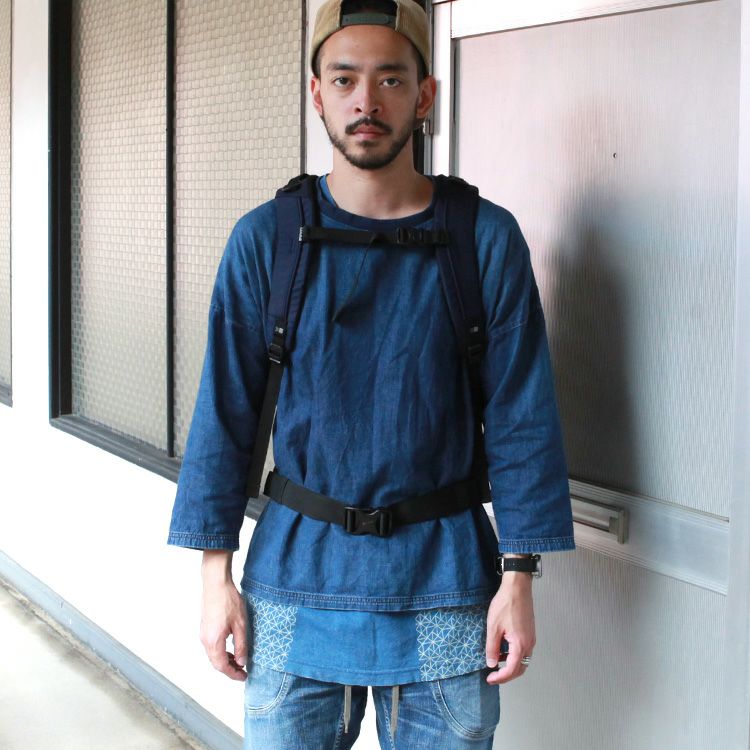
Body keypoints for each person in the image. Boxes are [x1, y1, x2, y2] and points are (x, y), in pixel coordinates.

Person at [167, 0, 575, 747]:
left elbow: (523, 416)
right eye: (344, 78)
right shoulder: (267, 241)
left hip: (446, 584)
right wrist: (212, 575)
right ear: (317, 93)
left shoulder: (484, 240)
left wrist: (519, 576)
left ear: (424, 96)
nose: (366, 100)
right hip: (293, 583)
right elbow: (225, 414)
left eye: (390, 79)